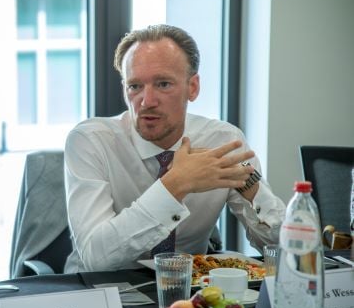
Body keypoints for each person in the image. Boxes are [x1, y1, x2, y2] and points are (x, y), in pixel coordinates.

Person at [64, 24, 285, 272]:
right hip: (100, 288)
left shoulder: (222, 140)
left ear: (193, 87)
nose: (147, 102)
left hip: (190, 289)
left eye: (163, 84)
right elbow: (95, 258)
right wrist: (175, 185)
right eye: (135, 86)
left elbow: (284, 249)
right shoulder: (91, 141)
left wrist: (251, 187)